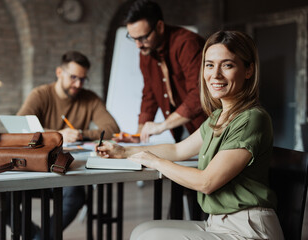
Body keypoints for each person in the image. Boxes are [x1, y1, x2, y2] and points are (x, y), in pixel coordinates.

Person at [97, 30, 284, 239]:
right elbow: (178, 149)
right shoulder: (217, 117)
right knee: (142, 231)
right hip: (217, 222)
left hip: (249, 229)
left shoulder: (251, 119)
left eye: (228, 65)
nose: (215, 75)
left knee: (149, 238)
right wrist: (124, 151)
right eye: (210, 65)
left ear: (248, 70)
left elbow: (206, 182)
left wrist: (156, 162)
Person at [16, 51, 120, 239]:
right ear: (59, 73)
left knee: (75, 196)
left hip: (67, 167)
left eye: (83, 79)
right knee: (1, 203)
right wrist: (57, 135)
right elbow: (19, 128)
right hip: (34, 168)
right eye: (73, 78)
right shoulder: (40, 94)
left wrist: (81, 133)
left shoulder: (89, 98)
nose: (78, 84)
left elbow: (112, 128)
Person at [118, 0, 206, 143]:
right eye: (133, 38)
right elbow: (149, 95)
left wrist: (162, 126)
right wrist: (139, 134)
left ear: (159, 27)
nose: (138, 45)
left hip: (207, 127)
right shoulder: (146, 52)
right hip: (182, 130)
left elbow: (199, 93)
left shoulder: (187, 44)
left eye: (143, 38)